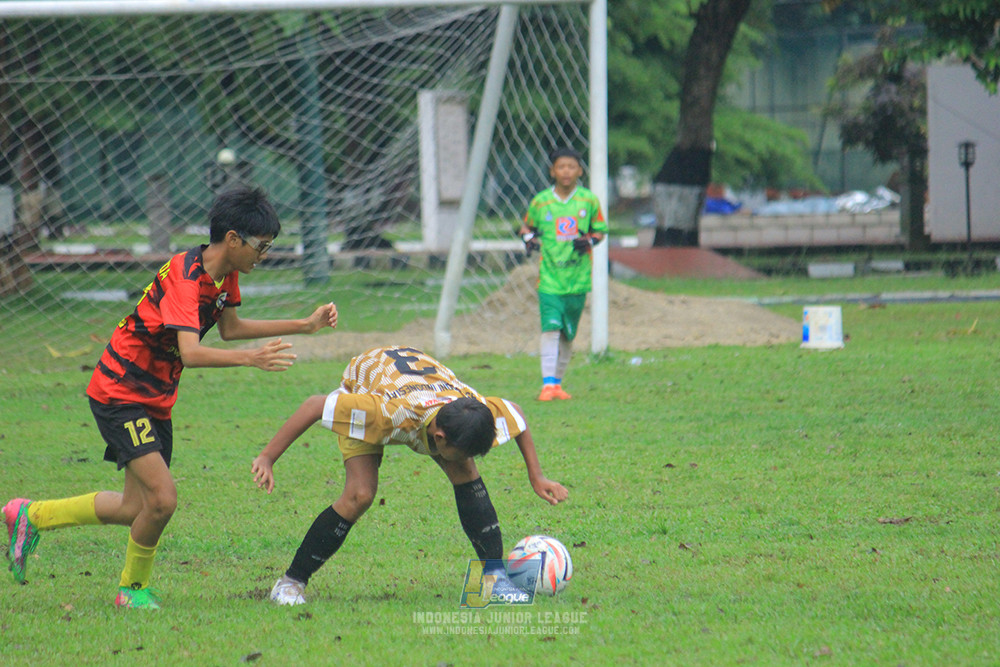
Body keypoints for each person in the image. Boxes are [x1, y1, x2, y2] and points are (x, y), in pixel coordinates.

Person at [3, 186, 339, 610]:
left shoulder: (225, 273)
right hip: (120, 391)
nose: (264, 255)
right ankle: (132, 590)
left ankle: (30, 515)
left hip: (154, 397)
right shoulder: (185, 278)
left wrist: (304, 325)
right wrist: (251, 359)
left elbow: (230, 329)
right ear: (233, 239)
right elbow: (191, 353)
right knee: (163, 500)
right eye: (262, 246)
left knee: (134, 508)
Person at [250, 345, 568, 606]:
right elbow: (314, 405)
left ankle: (494, 579)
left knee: (464, 469)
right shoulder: (384, 413)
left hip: (422, 387)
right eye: (460, 450)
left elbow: (516, 413)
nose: (467, 458)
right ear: (439, 438)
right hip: (371, 385)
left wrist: (537, 477)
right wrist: (267, 457)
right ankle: (290, 582)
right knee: (359, 495)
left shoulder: (473, 406)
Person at [519, 147, 607, 401]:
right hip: (549, 278)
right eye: (561, 167)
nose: (566, 171)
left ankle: (557, 384)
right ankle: (547, 385)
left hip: (578, 279)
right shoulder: (541, 201)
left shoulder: (589, 201)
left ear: (579, 171)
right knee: (550, 329)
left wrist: (589, 241)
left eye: (571, 166)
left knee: (568, 334)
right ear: (552, 171)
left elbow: (600, 230)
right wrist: (528, 239)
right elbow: (526, 227)